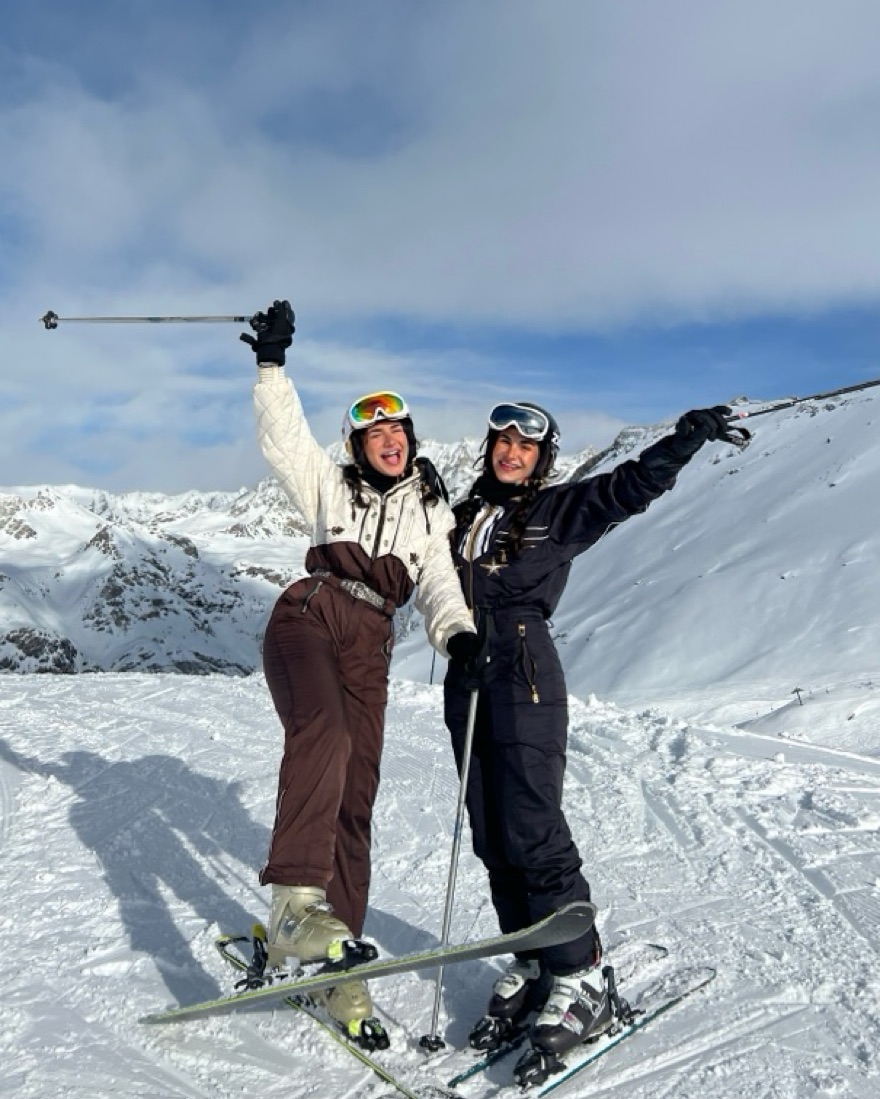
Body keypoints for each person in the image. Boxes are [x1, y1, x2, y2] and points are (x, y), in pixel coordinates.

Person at [443, 399, 742, 1077]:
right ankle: (531, 955)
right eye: (503, 442)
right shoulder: (464, 516)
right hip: (467, 674)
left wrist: (681, 442)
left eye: (526, 446)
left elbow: (626, 488)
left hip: (523, 669)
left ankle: (580, 972)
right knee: (490, 827)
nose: (512, 452)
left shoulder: (557, 510)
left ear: (541, 459)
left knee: (532, 824)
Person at [242, 300, 476, 1049]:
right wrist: (272, 366)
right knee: (327, 733)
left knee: (355, 800)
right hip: (311, 614)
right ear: (356, 445)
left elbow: (439, 585)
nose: (388, 439)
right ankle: (294, 906)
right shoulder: (329, 485)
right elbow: (284, 440)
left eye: (397, 430)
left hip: (371, 643)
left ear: (411, 441)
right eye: (374, 432)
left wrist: (459, 636)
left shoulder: (431, 513)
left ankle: (338, 957)